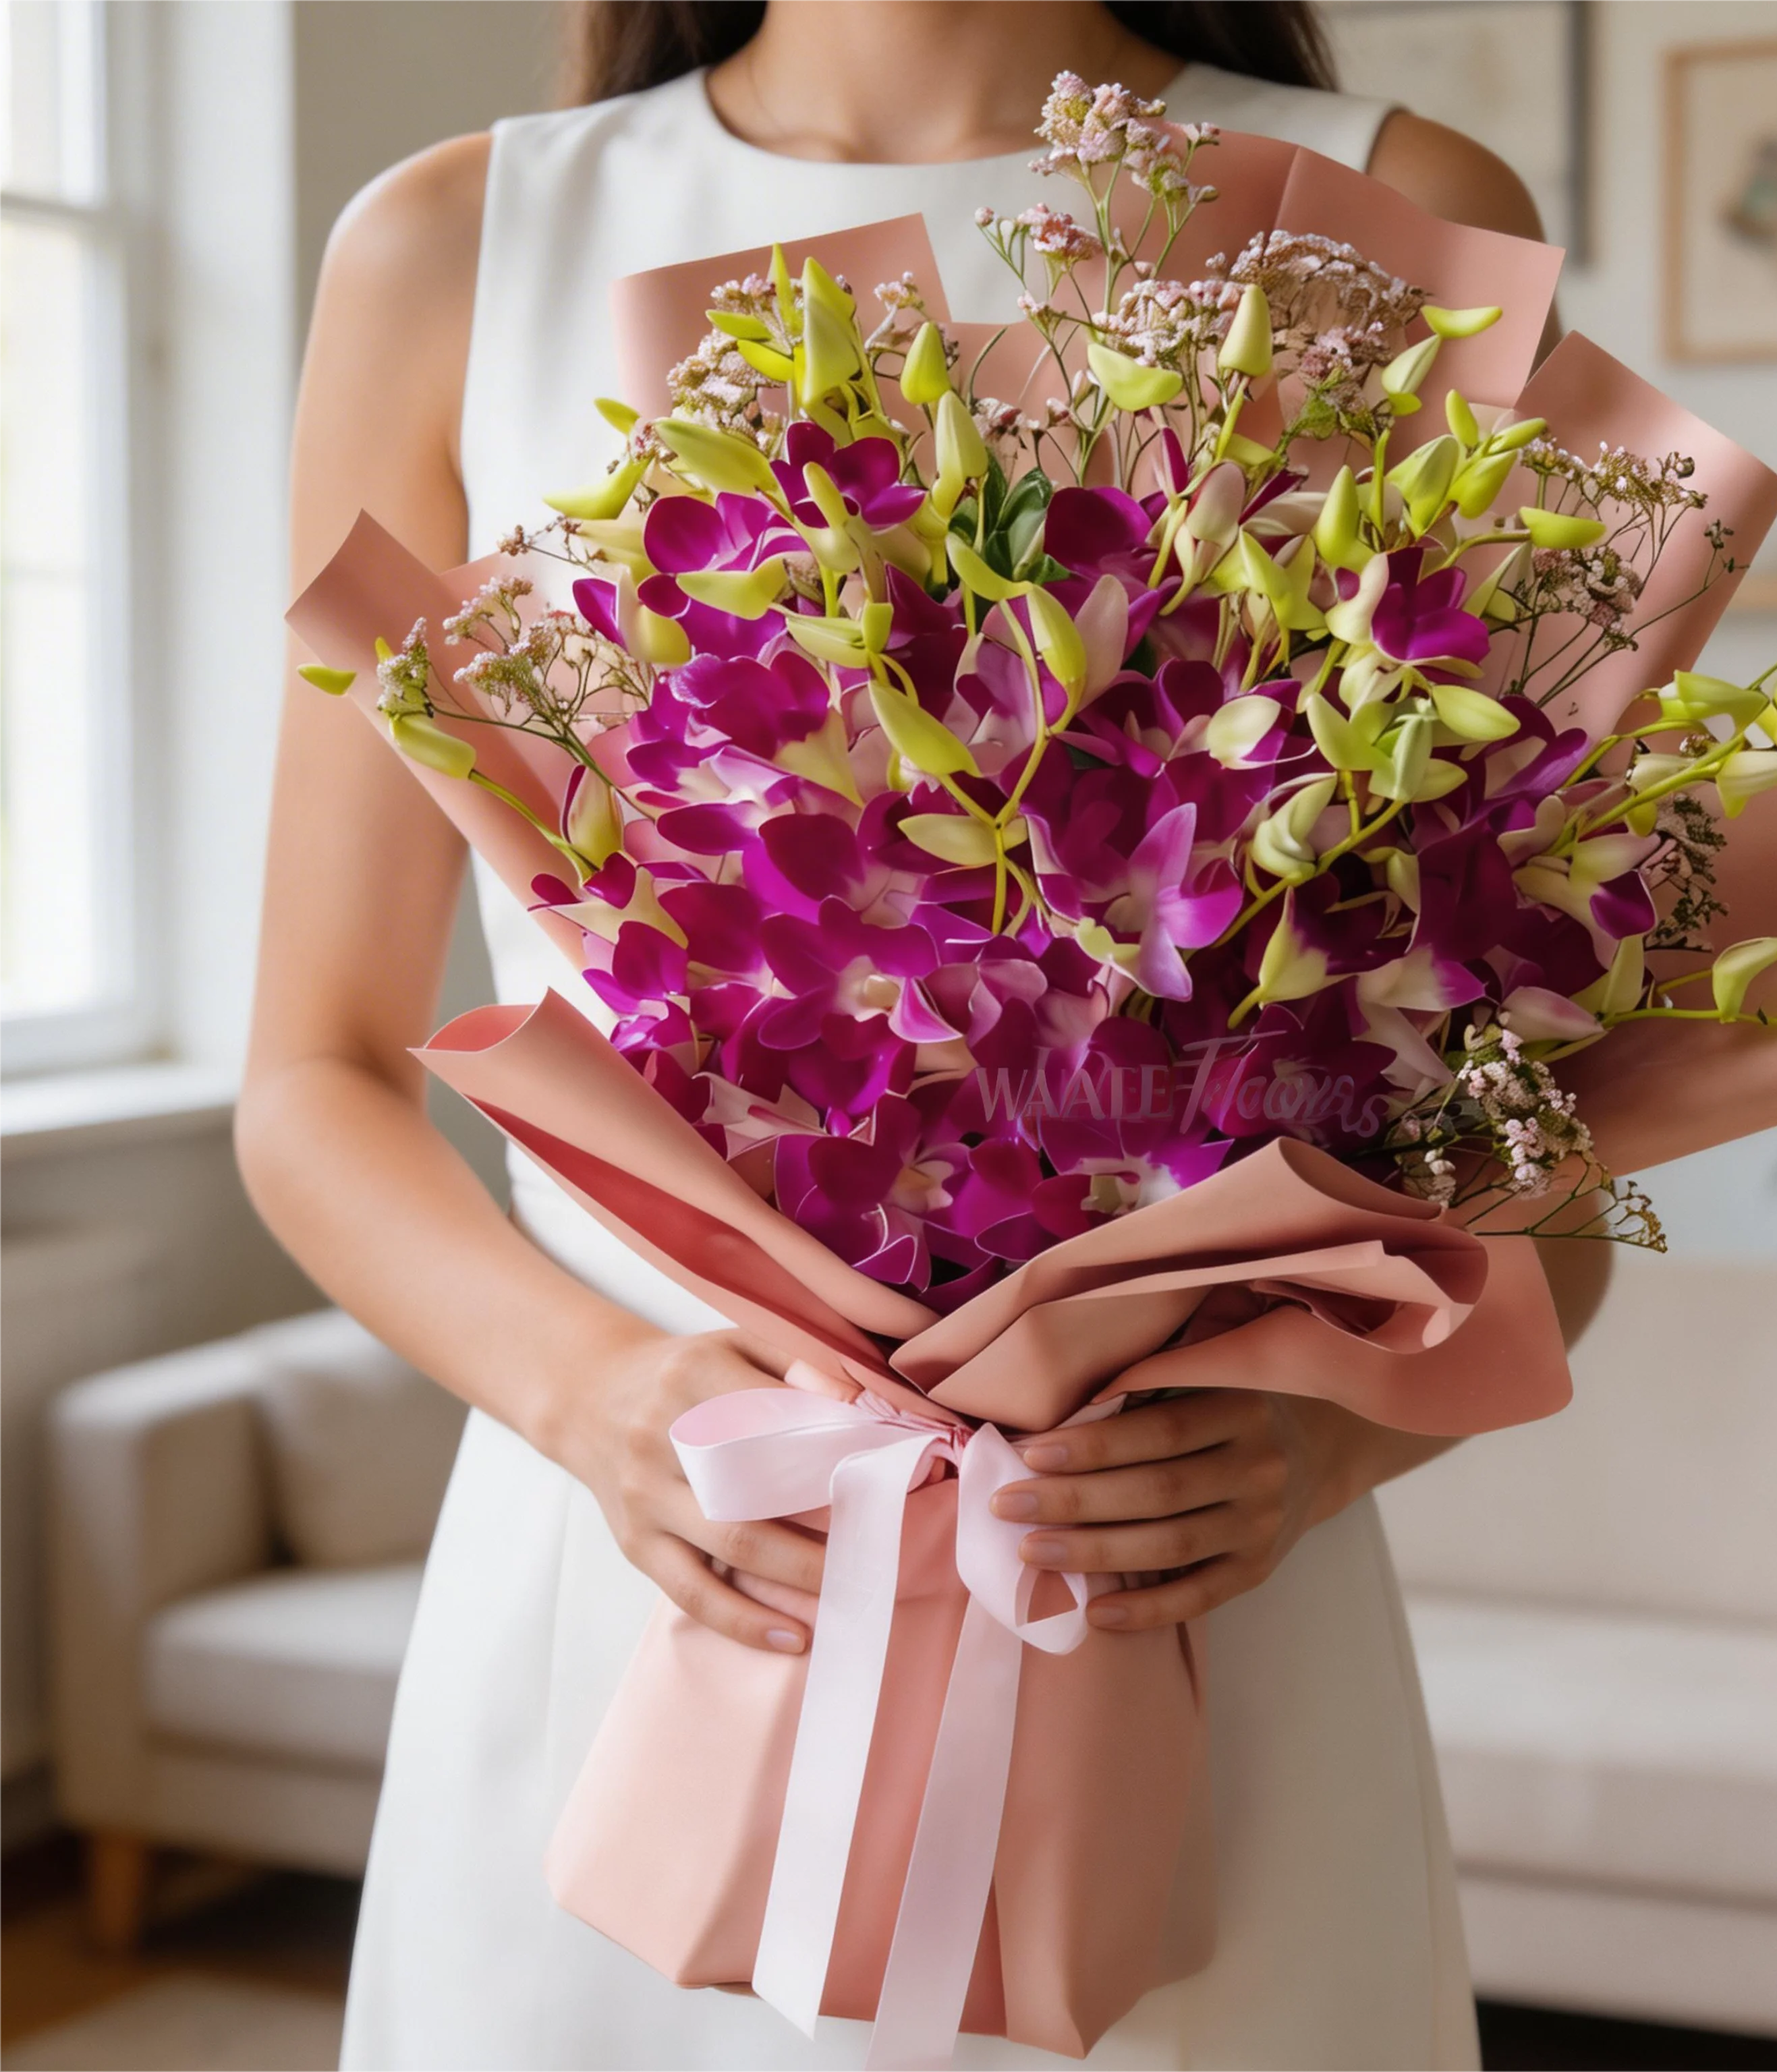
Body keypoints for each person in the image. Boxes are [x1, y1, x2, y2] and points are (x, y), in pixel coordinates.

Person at [239, 3, 1606, 2064]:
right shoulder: (455, 246)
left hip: (1175, 1596)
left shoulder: (1398, 206)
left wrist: (1317, 1449)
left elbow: (1556, 1127)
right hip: (660, 1562)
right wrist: (608, 1402)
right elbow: (314, 1078)